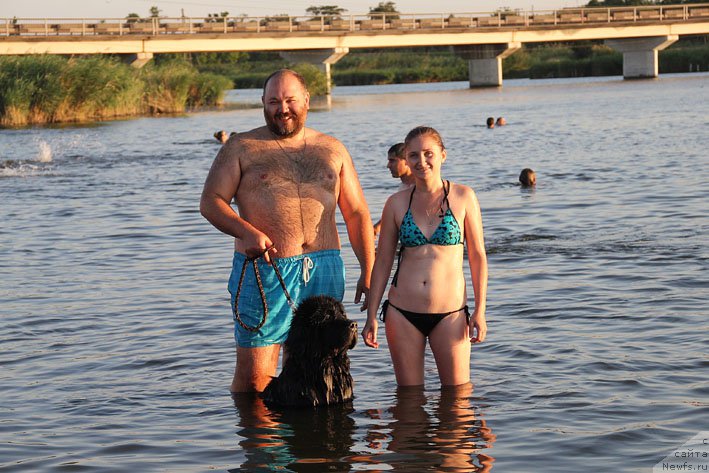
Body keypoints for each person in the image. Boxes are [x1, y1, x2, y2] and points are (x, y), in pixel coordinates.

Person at [200, 69, 375, 393]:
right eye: (274, 101)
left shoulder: (332, 148)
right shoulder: (242, 147)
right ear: (263, 104)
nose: (283, 108)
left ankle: (312, 442)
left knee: (319, 370)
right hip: (266, 271)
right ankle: (265, 443)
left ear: (307, 100)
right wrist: (246, 232)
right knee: (256, 380)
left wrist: (368, 269)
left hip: (325, 270)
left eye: (290, 100)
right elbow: (211, 201)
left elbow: (356, 212)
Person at [361, 126, 488, 387]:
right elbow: (383, 261)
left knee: (457, 401)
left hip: (450, 313)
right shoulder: (395, 203)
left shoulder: (464, 197)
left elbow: (477, 257)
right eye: (414, 155)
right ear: (406, 160)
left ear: (443, 155)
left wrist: (480, 310)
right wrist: (371, 314)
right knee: (409, 401)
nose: (422, 162)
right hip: (402, 313)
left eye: (428, 153)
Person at [373, 143, 415, 237]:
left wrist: (378, 227)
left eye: (392, 161)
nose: (388, 165)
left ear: (407, 161)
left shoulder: (419, 186)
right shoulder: (403, 187)